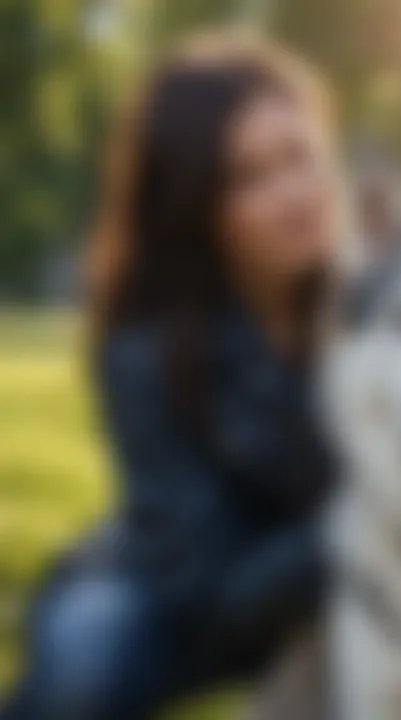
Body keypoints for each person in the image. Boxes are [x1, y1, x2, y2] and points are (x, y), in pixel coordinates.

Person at [1, 32, 339, 720]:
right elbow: (207, 593)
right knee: (85, 660)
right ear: (195, 206)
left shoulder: (390, 302)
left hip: (341, 586)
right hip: (173, 593)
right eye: (250, 177)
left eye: (300, 157)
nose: (294, 193)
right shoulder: (143, 347)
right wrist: (379, 518)